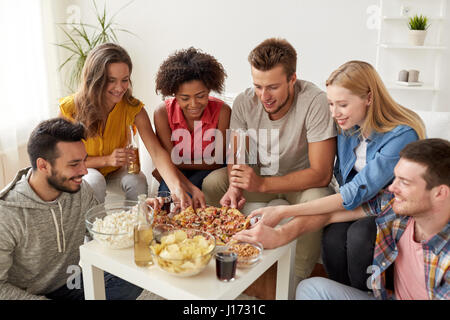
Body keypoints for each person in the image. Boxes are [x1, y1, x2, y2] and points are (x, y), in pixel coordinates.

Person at [235, 60, 426, 291]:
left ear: (369, 98)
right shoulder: (348, 129)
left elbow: (357, 192)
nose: (334, 113)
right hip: (357, 206)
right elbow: (347, 193)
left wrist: (284, 211)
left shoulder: (401, 136)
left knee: (360, 235)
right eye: (331, 104)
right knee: (333, 238)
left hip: (389, 210)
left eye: (342, 104)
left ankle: (365, 294)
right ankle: (338, 293)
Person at [202, 38, 337, 283]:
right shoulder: (244, 101)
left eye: (273, 87)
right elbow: (238, 156)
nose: (265, 96)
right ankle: (224, 255)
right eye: (258, 86)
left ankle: (295, 279)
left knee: (320, 197)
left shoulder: (315, 101)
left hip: (303, 182)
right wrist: (235, 184)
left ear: (292, 79)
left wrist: (263, 185)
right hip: (261, 175)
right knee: (214, 183)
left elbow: (321, 173)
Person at [0, 118, 143, 300]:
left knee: (137, 272)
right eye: (74, 164)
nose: (84, 171)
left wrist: (142, 217)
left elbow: (103, 236)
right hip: (28, 295)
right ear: (43, 165)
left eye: (84, 161)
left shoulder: (80, 190)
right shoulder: (6, 213)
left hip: (72, 282)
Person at [296, 138, 449, 300]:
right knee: (311, 288)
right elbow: (334, 213)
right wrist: (284, 220)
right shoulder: (397, 208)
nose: (392, 187)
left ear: (439, 193)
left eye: (404, 182)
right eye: (395, 177)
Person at [58, 43, 205, 208]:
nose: (119, 88)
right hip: (85, 170)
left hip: (115, 171)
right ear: (95, 80)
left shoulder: (133, 108)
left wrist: (176, 187)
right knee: (95, 180)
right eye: (111, 80)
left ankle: (136, 227)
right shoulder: (71, 108)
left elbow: (157, 152)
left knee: (137, 180)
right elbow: (62, 160)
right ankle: (93, 232)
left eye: (125, 80)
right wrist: (106, 160)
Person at [153, 47, 231, 193]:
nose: (194, 104)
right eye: (185, 98)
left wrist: (177, 162)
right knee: (166, 197)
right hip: (177, 172)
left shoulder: (223, 112)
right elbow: (170, 161)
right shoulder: (162, 113)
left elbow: (217, 161)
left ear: (209, 90)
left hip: (209, 173)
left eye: (200, 96)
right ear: (174, 94)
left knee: (187, 194)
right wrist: (173, 163)